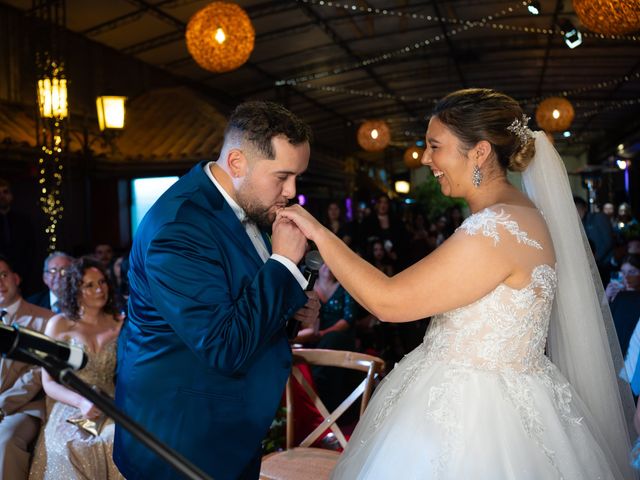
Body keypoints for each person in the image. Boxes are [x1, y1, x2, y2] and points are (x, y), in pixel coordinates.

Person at [279, 88, 634, 479]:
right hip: (510, 397)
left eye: (435, 146)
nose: (427, 159)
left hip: (477, 417)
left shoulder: (497, 228)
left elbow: (389, 301)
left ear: (479, 151)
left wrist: (317, 231)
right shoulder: (520, 215)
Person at [113, 101, 320, 480]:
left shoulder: (249, 203)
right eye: (283, 176)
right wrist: (284, 265)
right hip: (181, 443)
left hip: (229, 430)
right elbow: (223, 346)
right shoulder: (178, 229)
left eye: (297, 177)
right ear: (238, 163)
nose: (292, 192)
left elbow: (245, 304)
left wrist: (292, 310)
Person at [29, 257, 123, 480]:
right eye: (89, 285)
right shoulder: (59, 324)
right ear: (75, 290)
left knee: (114, 440)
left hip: (110, 400)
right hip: (70, 401)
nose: (100, 289)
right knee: (71, 443)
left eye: (102, 282)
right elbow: (48, 383)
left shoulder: (119, 323)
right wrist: (81, 402)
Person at [0, 255, 53, 480]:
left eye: (3, 275)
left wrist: (3, 405)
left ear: (16, 278)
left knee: (6, 439)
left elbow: (38, 371)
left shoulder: (44, 319)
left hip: (22, 406)